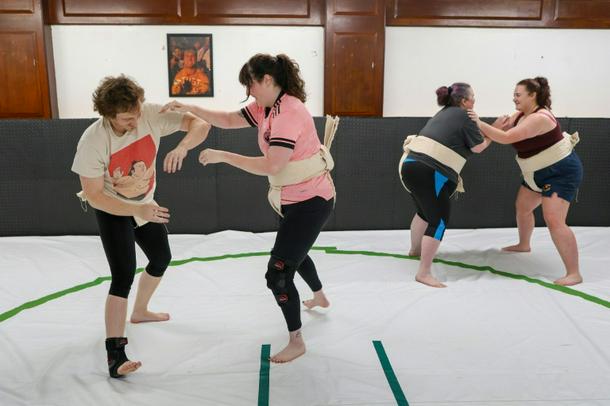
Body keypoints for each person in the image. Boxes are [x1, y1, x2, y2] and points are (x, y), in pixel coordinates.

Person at [161, 53, 336, 363]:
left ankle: (297, 340)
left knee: (278, 273)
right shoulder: (267, 106)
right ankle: (320, 296)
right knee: (294, 251)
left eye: (251, 85)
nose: (249, 92)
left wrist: (223, 156)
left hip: (312, 201)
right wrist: (189, 107)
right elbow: (229, 119)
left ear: (267, 80)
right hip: (290, 198)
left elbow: (272, 165)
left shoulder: (289, 113)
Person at [71, 75, 211, 378]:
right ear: (108, 115)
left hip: (144, 202)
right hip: (112, 207)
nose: (134, 122)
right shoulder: (93, 141)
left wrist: (182, 147)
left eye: (136, 114)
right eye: (126, 119)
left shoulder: (148, 114)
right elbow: (94, 195)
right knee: (123, 275)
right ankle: (115, 356)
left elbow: (200, 124)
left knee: (161, 258)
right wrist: (137, 209)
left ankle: (140, 311)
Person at [468, 77, 583, 286]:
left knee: (553, 220)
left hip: (560, 173)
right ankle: (524, 245)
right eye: (514, 94)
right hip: (535, 172)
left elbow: (506, 138)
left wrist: (479, 122)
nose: (514, 98)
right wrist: (491, 127)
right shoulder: (520, 115)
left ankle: (574, 273)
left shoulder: (540, 118)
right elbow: (500, 132)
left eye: (518, 95)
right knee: (523, 208)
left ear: (533, 95)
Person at [399, 83, 491, 288]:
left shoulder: (443, 113)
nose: (475, 101)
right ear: (464, 101)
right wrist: (494, 132)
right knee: (438, 221)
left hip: (409, 165)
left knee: (423, 213)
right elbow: (478, 147)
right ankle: (423, 273)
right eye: (473, 98)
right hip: (430, 170)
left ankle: (415, 250)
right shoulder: (465, 116)